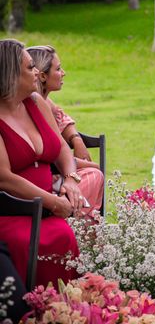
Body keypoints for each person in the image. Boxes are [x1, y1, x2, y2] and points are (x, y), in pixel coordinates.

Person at [0, 39, 81, 288]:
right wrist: (54, 202)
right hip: (12, 211)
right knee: (26, 243)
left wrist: (71, 179)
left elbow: (61, 149)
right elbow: (5, 177)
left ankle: (63, 310)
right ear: (10, 73)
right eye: (30, 67)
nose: (38, 72)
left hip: (46, 209)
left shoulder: (36, 102)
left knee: (65, 236)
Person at [26, 45, 104, 216]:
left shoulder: (46, 102)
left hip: (59, 171)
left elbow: (63, 120)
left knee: (94, 174)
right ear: (43, 76)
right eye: (59, 68)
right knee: (95, 174)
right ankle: (78, 225)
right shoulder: (35, 105)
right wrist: (91, 165)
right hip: (48, 177)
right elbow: (53, 155)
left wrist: (76, 139)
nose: (64, 73)